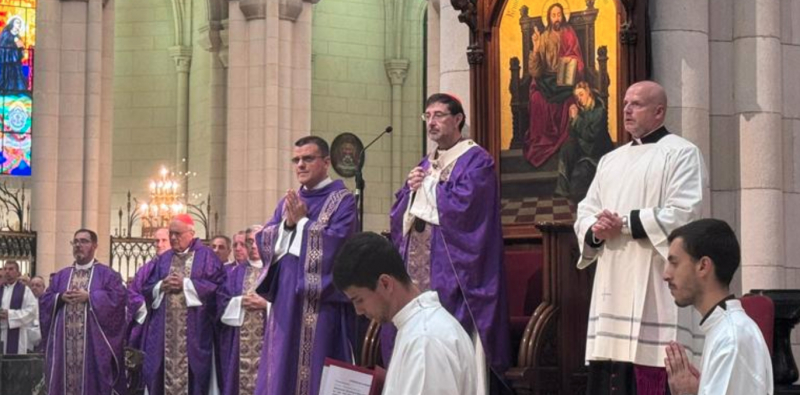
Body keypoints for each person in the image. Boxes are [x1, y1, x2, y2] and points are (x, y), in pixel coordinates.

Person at [575, 80, 707, 394]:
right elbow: (585, 211)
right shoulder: (611, 160)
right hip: (613, 283)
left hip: (656, 282)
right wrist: (596, 229)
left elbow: (686, 213)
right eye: (624, 104)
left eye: (636, 104)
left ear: (659, 111)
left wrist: (624, 223)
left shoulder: (682, 153)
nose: (627, 110)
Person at [389, 93, 511, 392]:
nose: (432, 122)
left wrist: (427, 186)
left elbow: (467, 210)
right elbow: (401, 213)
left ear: (458, 119)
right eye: (427, 116)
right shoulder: (426, 162)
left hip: (456, 271)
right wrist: (410, 190)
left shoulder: (476, 160)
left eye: (439, 115)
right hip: (419, 268)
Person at [254, 136, 358, 395]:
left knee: (313, 368)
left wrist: (301, 223)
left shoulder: (342, 201)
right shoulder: (289, 200)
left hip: (320, 301)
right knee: (280, 367)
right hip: (286, 300)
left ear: (325, 162)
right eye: (296, 160)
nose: (300, 165)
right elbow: (265, 236)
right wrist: (288, 225)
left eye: (308, 159)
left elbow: (339, 246)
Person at [333, 232, 475, 394]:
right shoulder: (418, 328)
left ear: (385, 284)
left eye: (359, 300)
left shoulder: (425, 340)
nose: (358, 311)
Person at [663, 219, 773, 395]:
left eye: (674, 263)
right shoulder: (724, 330)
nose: (666, 275)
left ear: (703, 266)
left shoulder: (732, 338)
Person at [143, 215, 225, 395]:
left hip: (195, 332)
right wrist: (161, 286)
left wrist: (187, 285)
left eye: (177, 234)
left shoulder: (207, 257)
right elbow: (147, 288)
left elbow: (219, 288)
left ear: (191, 233)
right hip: (164, 335)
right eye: (171, 233)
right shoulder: (164, 259)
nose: (173, 238)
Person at [40, 229, 128, 394]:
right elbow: (45, 300)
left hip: (93, 347)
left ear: (95, 246)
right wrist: (59, 298)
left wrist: (91, 297)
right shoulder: (61, 276)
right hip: (63, 348)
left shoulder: (107, 275)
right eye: (76, 242)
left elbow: (119, 299)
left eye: (84, 241)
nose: (78, 245)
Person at [524, 2, 585, 167]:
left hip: (566, 79)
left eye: (559, 14)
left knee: (569, 101)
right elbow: (535, 72)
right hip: (547, 79)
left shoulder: (569, 33)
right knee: (537, 99)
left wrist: (572, 63)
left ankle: (568, 141)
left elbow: (577, 57)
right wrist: (536, 49)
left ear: (563, 16)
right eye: (553, 15)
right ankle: (543, 139)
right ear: (549, 18)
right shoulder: (543, 37)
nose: (557, 18)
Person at [218, 225, 269, 395]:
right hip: (240, 345)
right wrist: (239, 302)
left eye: (257, 240)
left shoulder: (276, 270)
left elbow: (289, 306)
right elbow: (220, 302)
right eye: (249, 242)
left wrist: (266, 305)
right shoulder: (234, 273)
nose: (253, 246)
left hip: (269, 343)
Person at [554, 81, 614, 203]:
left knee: (578, 183)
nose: (579, 99)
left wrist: (576, 119)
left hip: (596, 151)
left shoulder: (599, 111)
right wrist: (572, 118)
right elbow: (572, 134)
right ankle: (562, 189)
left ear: (589, 93)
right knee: (566, 148)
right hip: (583, 147)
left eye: (581, 94)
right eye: (577, 96)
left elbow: (590, 135)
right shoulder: (582, 110)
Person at [128, 227, 170, 351]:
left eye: (164, 240)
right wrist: (145, 308)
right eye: (157, 241)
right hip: (149, 322)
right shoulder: (146, 269)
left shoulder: (179, 267)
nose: (159, 244)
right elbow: (132, 292)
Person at [0, 260, 38, 354]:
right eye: (5, 269)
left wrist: (10, 314)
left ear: (18, 273)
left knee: (15, 366)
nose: (7, 271)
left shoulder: (25, 290)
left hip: (17, 334)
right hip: (1, 330)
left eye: (11, 269)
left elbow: (32, 311)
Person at [0, 16, 27, 93]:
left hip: (15, 62)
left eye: (20, 23)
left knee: (16, 76)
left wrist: (21, 50)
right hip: (5, 61)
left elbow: (21, 48)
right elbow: (2, 45)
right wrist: (13, 40)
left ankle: (15, 91)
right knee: (5, 76)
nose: (19, 24)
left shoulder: (18, 37)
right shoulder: (5, 33)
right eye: (17, 22)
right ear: (12, 23)